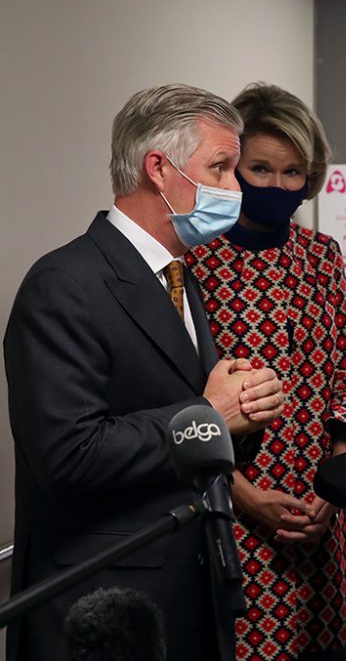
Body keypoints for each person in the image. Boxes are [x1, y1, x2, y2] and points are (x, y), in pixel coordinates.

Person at [4, 84, 285, 661]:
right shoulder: (64, 284)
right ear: (159, 168)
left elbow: (186, 412)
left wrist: (244, 409)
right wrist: (211, 415)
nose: (237, 189)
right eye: (221, 168)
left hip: (192, 582)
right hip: (102, 601)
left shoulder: (179, 275)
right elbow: (67, 455)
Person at [186, 83, 346, 659]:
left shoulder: (321, 257)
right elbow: (174, 403)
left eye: (293, 172)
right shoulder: (190, 261)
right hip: (230, 509)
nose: (276, 185)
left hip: (324, 514)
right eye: (261, 168)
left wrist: (337, 486)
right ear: (230, 167)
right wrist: (248, 498)